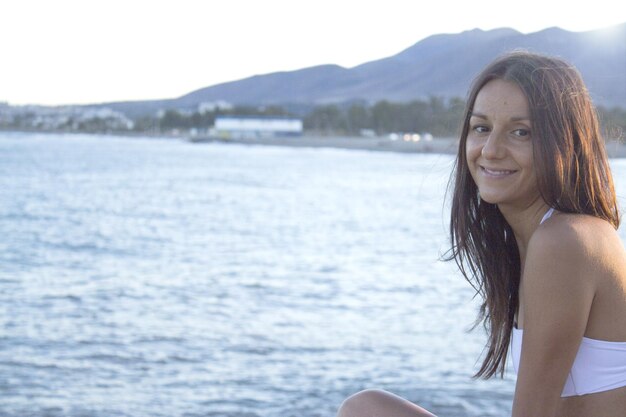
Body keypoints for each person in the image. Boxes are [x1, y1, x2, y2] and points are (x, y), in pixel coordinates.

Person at [336, 51, 626, 417]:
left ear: (562, 141)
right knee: (367, 407)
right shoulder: (547, 239)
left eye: (521, 132)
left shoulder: (565, 241)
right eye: (481, 128)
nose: (490, 150)